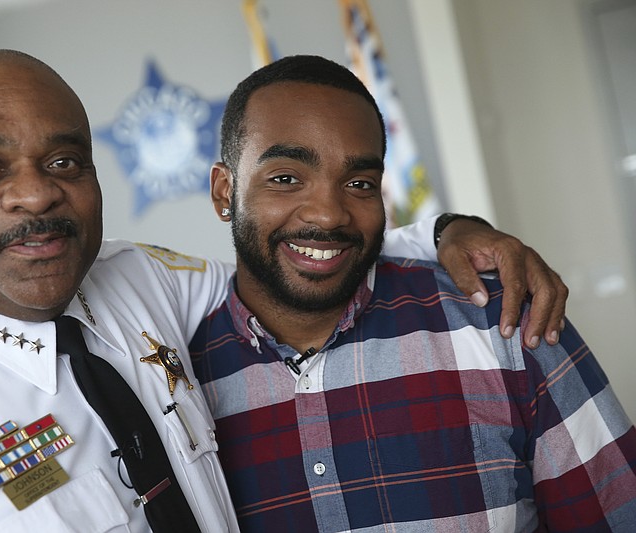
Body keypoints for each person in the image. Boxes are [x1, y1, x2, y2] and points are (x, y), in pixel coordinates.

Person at [0, 49, 567, 532]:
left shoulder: (136, 281)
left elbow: (296, 257)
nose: (36, 193)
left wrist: (451, 230)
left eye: (64, 160)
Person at [190, 55, 636, 531]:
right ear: (224, 192)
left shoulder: (503, 323)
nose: (327, 214)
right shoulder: (178, 381)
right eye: (285, 178)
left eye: (359, 183)